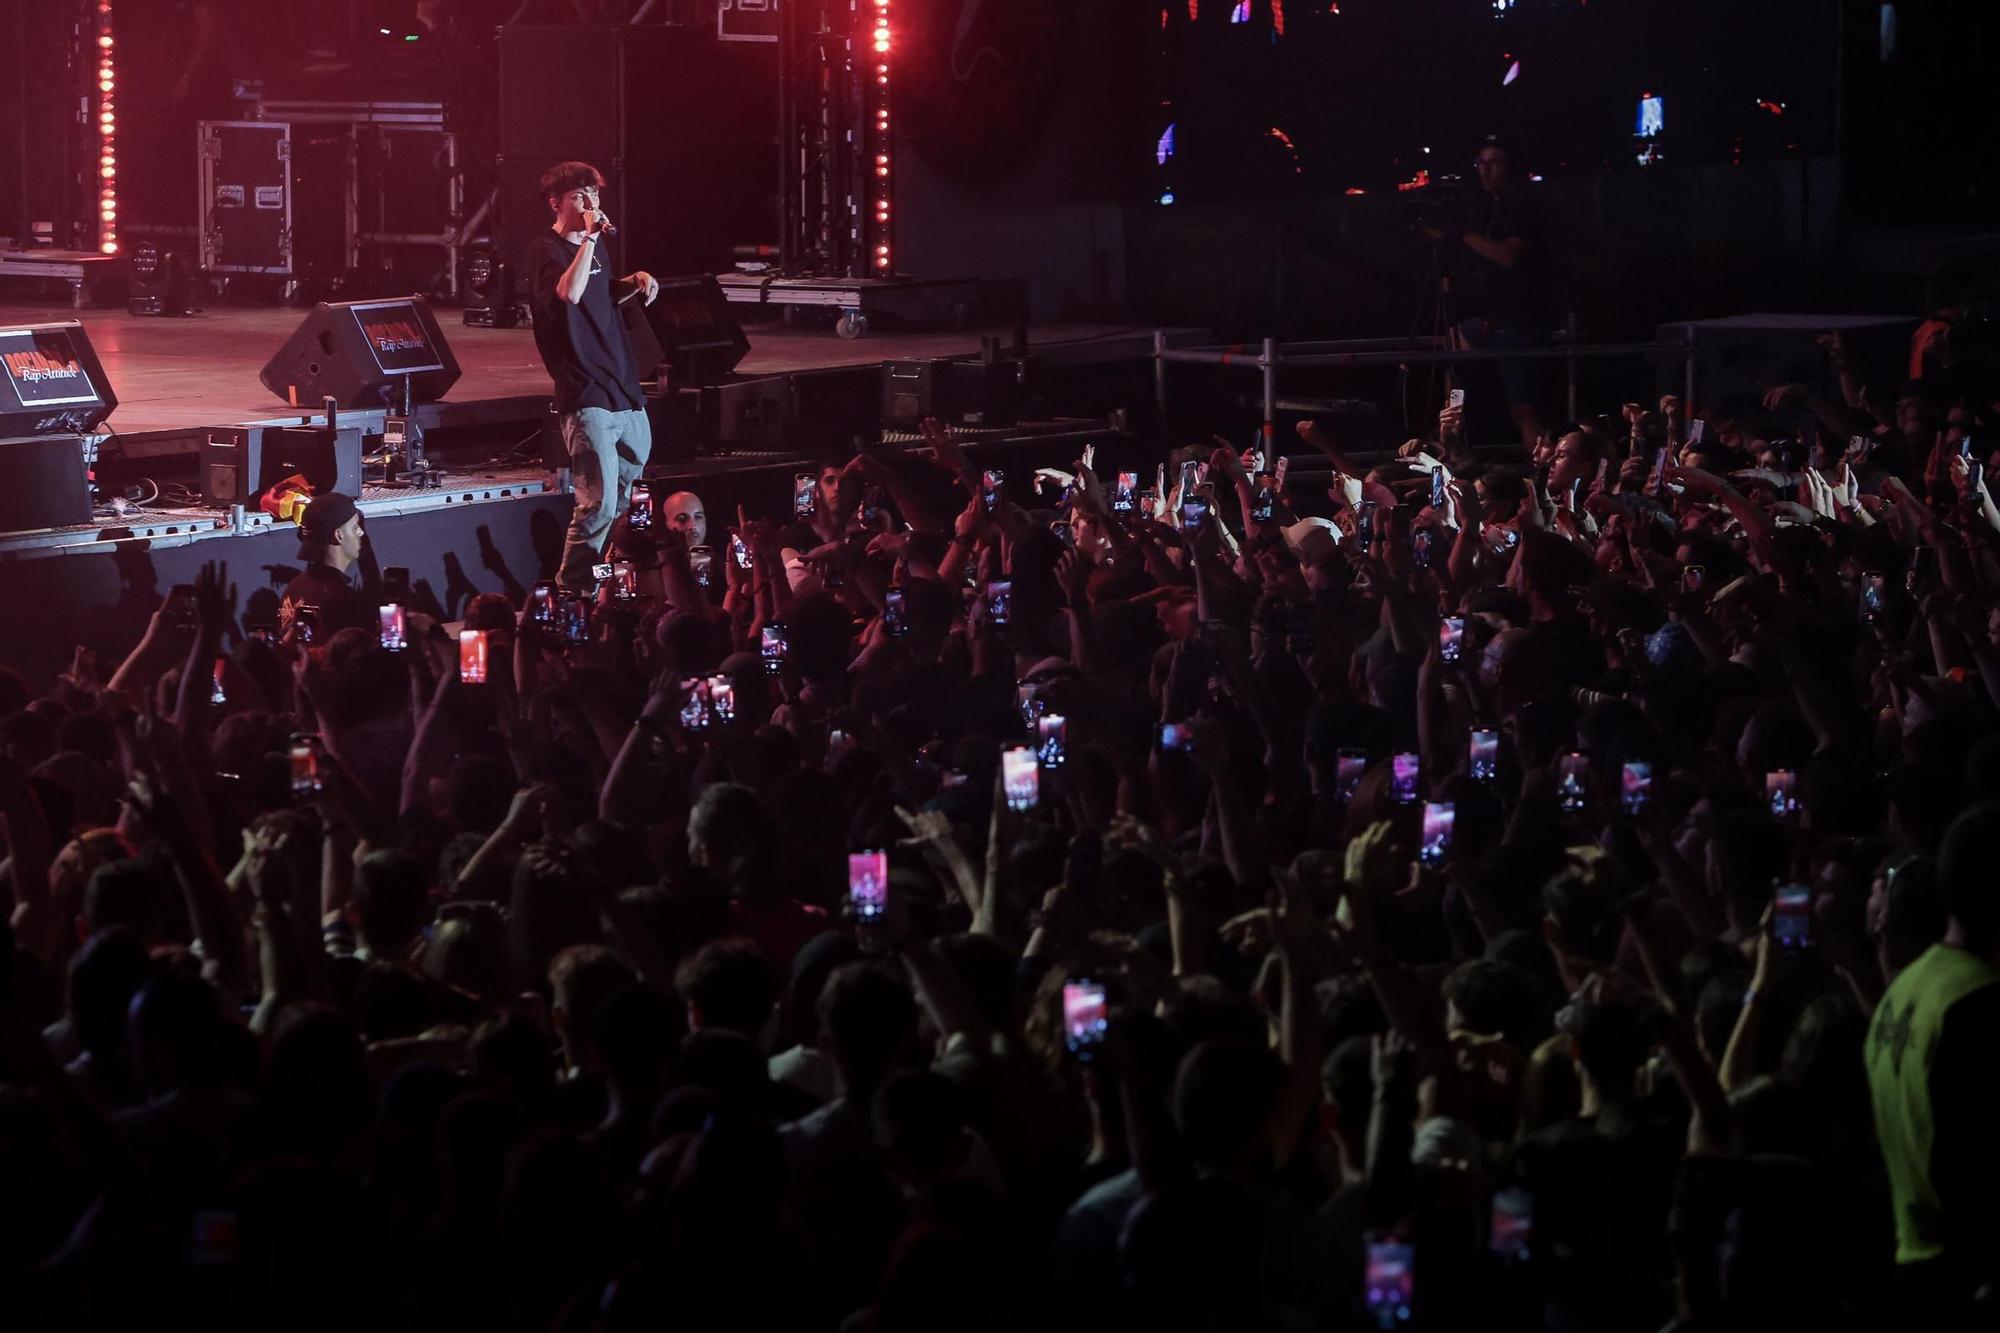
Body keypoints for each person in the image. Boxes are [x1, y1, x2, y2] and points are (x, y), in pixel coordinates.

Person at [1866, 804, 2000, 1320]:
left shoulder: (1903, 991)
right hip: (1966, 1279)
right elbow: (1981, 1173)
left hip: (1911, 1265)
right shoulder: (1978, 1005)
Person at [525, 161, 662, 590]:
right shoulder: (545, 251)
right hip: (585, 389)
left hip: (621, 383)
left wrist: (631, 283)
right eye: (579, 196)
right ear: (556, 203)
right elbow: (569, 292)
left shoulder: (594, 247)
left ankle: (607, 581)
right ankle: (574, 590)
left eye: (594, 195)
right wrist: (588, 236)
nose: (591, 204)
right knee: (598, 504)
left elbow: (598, 293)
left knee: (626, 499)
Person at [1424, 136, 1548, 451]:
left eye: (1494, 163)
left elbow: (1507, 256)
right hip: (1489, 318)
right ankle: (1451, 436)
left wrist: (1462, 234)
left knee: (1522, 408)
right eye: (1481, 163)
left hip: (1518, 319)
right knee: (1453, 349)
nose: (1485, 170)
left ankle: (1544, 476)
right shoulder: (1485, 208)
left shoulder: (1522, 205)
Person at [279, 489, 372, 637]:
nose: (361, 532)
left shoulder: (293, 589)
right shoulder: (343, 601)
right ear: (338, 535)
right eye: (355, 527)